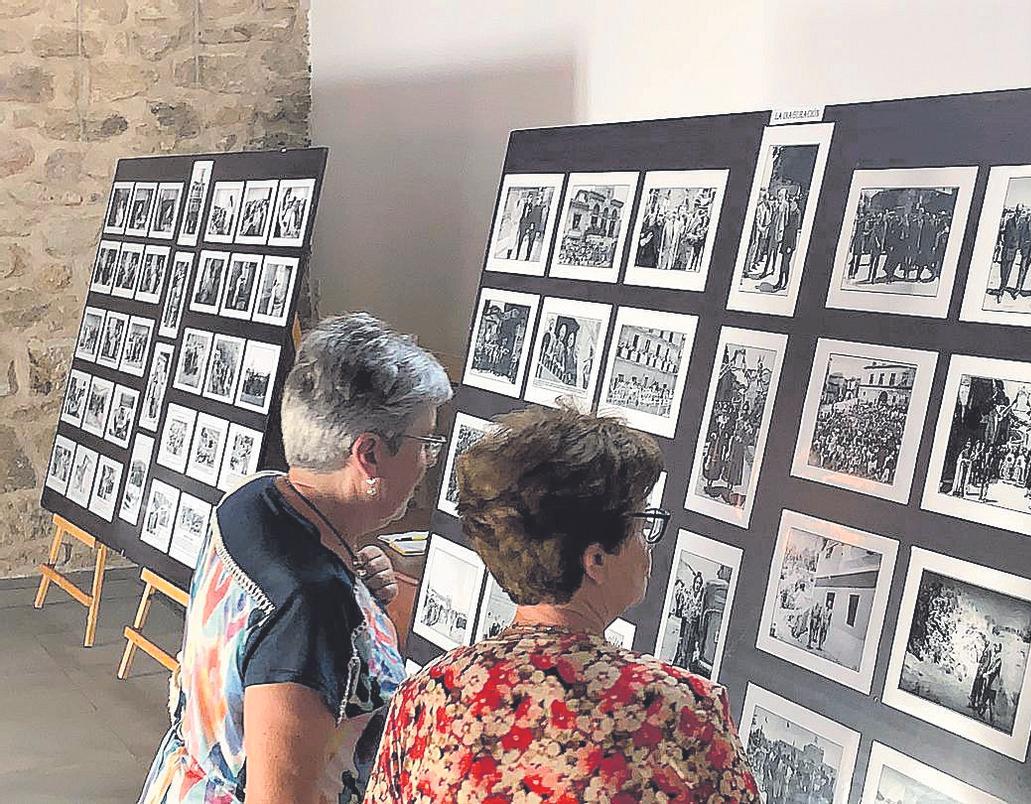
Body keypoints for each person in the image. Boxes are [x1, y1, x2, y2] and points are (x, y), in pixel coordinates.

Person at [364, 406, 759, 801]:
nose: (647, 545)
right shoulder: (679, 710)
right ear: (596, 560)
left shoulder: (427, 694)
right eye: (641, 526)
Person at [138, 314, 452, 804]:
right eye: (424, 443)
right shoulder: (312, 604)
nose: (428, 461)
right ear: (367, 454)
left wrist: (358, 587)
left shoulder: (253, 496)